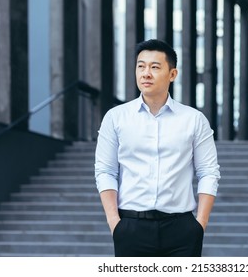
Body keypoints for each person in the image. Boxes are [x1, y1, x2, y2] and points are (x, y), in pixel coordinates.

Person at [94, 39, 220, 257]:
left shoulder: (194, 120)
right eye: (140, 66)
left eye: (154, 67)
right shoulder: (115, 118)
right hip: (130, 227)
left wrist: (200, 224)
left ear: (172, 74)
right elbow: (105, 171)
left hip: (181, 230)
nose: (145, 73)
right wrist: (114, 222)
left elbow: (208, 172)